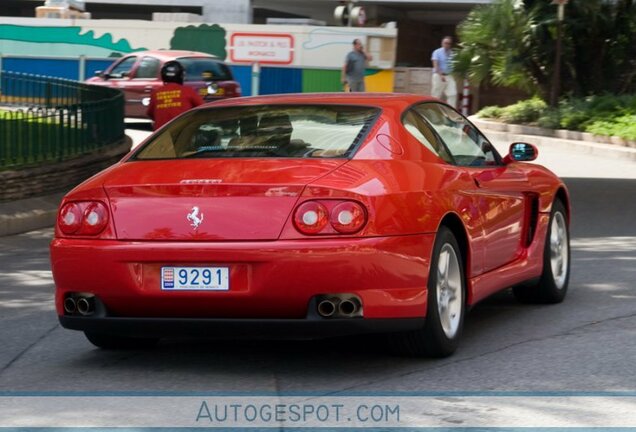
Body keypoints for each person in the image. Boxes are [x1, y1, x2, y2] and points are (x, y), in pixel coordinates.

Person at [147, 61, 204, 130]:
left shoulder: (156, 93)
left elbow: (150, 113)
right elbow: (202, 109)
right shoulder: (188, 91)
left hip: (161, 135)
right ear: (181, 76)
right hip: (182, 133)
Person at [430, 36, 457, 108]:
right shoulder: (437, 52)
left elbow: (454, 64)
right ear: (442, 43)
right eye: (445, 43)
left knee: (452, 94)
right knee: (436, 95)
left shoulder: (453, 53)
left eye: (449, 43)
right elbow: (435, 64)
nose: (447, 45)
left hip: (449, 75)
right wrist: (440, 75)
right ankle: (434, 110)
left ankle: (451, 111)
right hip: (438, 75)